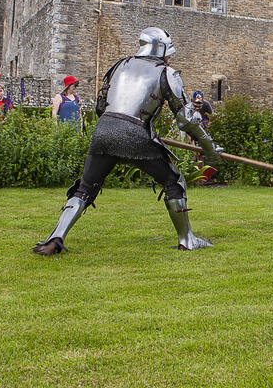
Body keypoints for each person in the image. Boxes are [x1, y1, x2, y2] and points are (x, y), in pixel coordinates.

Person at [33, 27, 223, 254]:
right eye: (168, 52)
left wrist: (120, 128)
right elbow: (188, 120)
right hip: (134, 134)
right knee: (174, 181)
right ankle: (187, 239)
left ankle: (56, 237)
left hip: (104, 129)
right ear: (161, 50)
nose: (170, 57)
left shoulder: (120, 66)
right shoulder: (167, 73)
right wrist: (209, 149)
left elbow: (101, 106)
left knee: (85, 186)